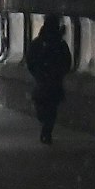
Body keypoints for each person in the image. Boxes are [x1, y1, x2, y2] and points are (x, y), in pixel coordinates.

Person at [25, 15, 73, 144]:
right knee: (52, 108)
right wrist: (59, 73)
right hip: (54, 81)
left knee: (41, 105)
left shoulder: (37, 43)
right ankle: (47, 130)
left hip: (42, 79)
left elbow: (30, 60)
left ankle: (45, 127)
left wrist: (37, 73)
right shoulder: (61, 44)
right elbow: (67, 62)